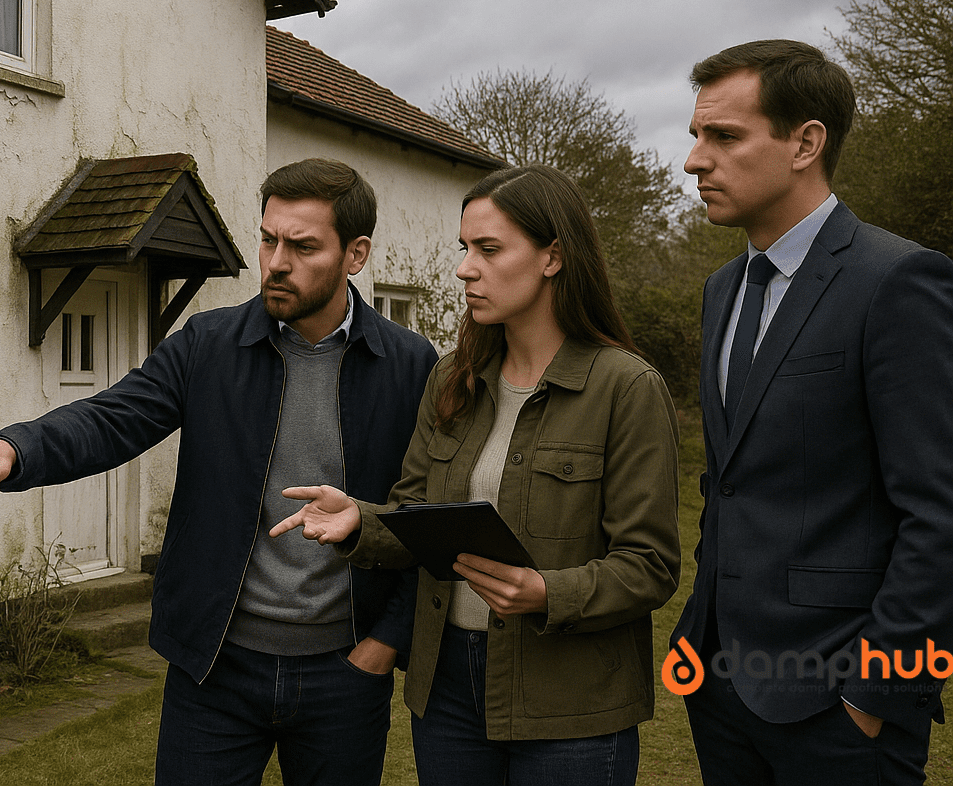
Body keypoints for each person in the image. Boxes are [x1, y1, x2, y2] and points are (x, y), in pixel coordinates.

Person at [0, 157, 438, 786]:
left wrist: (384, 644)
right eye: (268, 238)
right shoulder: (209, 344)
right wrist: (16, 449)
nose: (275, 261)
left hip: (344, 671)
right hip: (215, 665)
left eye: (302, 246)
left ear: (356, 254)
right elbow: (112, 419)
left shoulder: (409, 366)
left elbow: (421, 517)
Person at [271, 163, 680, 786]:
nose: (465, 267)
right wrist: (363, 519)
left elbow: (650, 565)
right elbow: (417, 513)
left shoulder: (625, 387)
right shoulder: (453, 378)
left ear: (553, 257)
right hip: (450, 690)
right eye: (465, 248)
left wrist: (547, 592)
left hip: (568, 700)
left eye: (488, 249)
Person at [670, 40, 953, 785]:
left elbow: (940, 512)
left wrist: (876, 693)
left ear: (806, 143)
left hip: (842, 709)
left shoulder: (899, 281)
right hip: (721, 686)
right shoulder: (722, 290)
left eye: (723, 136)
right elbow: (732, 482)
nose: (695, 160)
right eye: (696, 135)